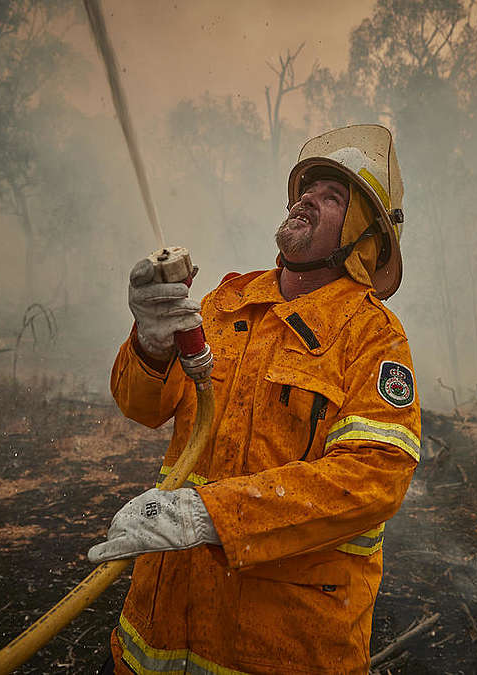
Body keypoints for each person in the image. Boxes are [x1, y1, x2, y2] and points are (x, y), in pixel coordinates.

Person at [90, 125, 421, 674]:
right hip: (156, 642)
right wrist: (149, 339)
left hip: (282, 647)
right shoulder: (228, 303)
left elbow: (372, 479)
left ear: (362, 236)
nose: (306, 199)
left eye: (332, 196)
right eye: (305, 189)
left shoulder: (373, 337)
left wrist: (211, 514)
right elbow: (143, 407)